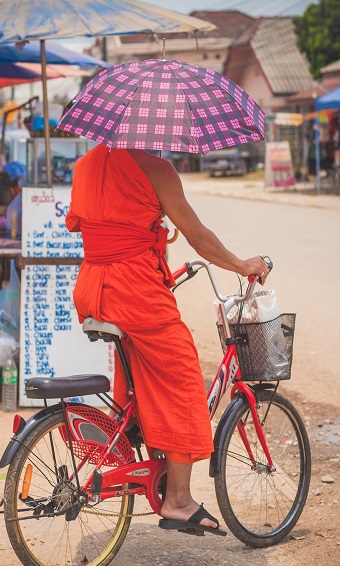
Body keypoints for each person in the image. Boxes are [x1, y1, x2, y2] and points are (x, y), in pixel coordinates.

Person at [66, 146, 270, 536]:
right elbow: (198, 237)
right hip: (133, 291)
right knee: (182, 374)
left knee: (143, 367)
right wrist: (244, 264)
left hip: (94, 287)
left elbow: (93, 224)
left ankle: (135, 442)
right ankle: (178, 500)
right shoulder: (158, 170)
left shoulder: (84, 165)